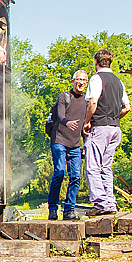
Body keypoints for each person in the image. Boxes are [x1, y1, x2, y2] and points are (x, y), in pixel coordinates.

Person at [82, 48, 130, 215]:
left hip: (100, 127)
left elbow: (93, 103)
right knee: (106, 167)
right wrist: (114, 119)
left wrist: (87, 122)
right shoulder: (119, 81)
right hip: (115, 128)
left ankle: (101, 203)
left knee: (92, 167)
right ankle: (110, 202)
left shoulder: (96, 79)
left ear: (96, 62)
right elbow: (127, 108)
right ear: (110, 62)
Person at [48, 69, 88, 220]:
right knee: (59, 173)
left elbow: (85, 125)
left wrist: (85, 143)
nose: (81, 83)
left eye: (84, 80)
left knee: (76, 177)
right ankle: (52, 208)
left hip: (75, 144)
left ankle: (69, 211)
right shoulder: (64, 97)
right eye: (78, 80)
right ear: (73, 81)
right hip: (59, 140)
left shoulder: (86, 101)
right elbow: (61, 116)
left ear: (86, 83)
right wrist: (67, 123)